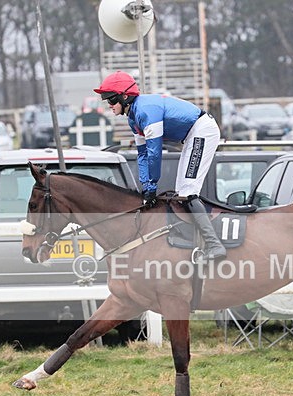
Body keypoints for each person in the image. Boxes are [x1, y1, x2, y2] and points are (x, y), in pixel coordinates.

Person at [93, 71, 226, 262]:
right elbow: (142, 154)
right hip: (191, 135)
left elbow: (155, 153)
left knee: (188, 191)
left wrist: (153, 186)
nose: (109, 105)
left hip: (202, 130)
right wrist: (146, 186)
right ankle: (197, 241)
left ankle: (215, 245)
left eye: (111, 99)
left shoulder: (146, 111)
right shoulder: (133, 118)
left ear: (125, 97)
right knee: (182, 193)